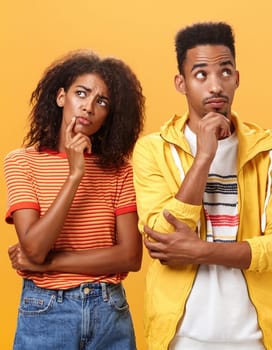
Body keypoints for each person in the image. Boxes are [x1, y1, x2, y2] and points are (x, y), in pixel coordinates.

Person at [133, 22, 272, 350]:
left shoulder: (270, 152)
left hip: (254, 338)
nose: (215, 85)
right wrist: (204, 158)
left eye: (225, 72)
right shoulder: (152, 149)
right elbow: (161, 239)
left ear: (237, 78)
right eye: (201, 75)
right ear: (181, 83)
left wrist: (201, 251)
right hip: (181, 337)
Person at [4, 50, 145, 349]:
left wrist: (45, 266)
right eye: (81, 93)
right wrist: (74, 174)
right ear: (60, 97)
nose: (89, 107)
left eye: (102, 101)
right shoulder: (21, 163)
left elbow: (131, 257)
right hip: (45, 312)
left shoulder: (120, 171)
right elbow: (34, 246)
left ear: (110, 115)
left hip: (109, 312)